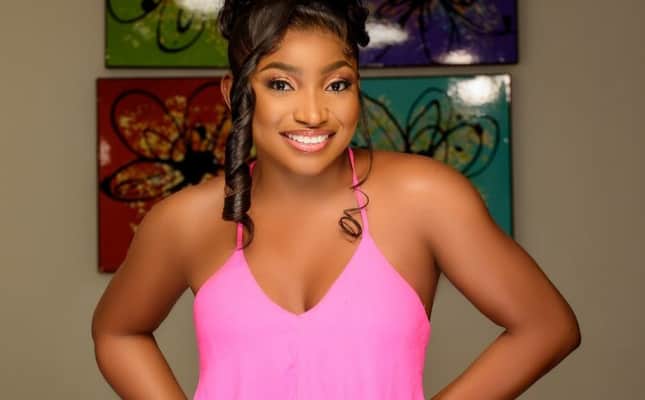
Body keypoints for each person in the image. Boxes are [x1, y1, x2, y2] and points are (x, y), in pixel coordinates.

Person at [91, 1, 581, 399]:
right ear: (234, 92)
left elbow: (546, 326)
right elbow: (117, 332)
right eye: (281, 84)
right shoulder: (186, 219)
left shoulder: (426, 197)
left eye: (336, 84)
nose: (313, 112)